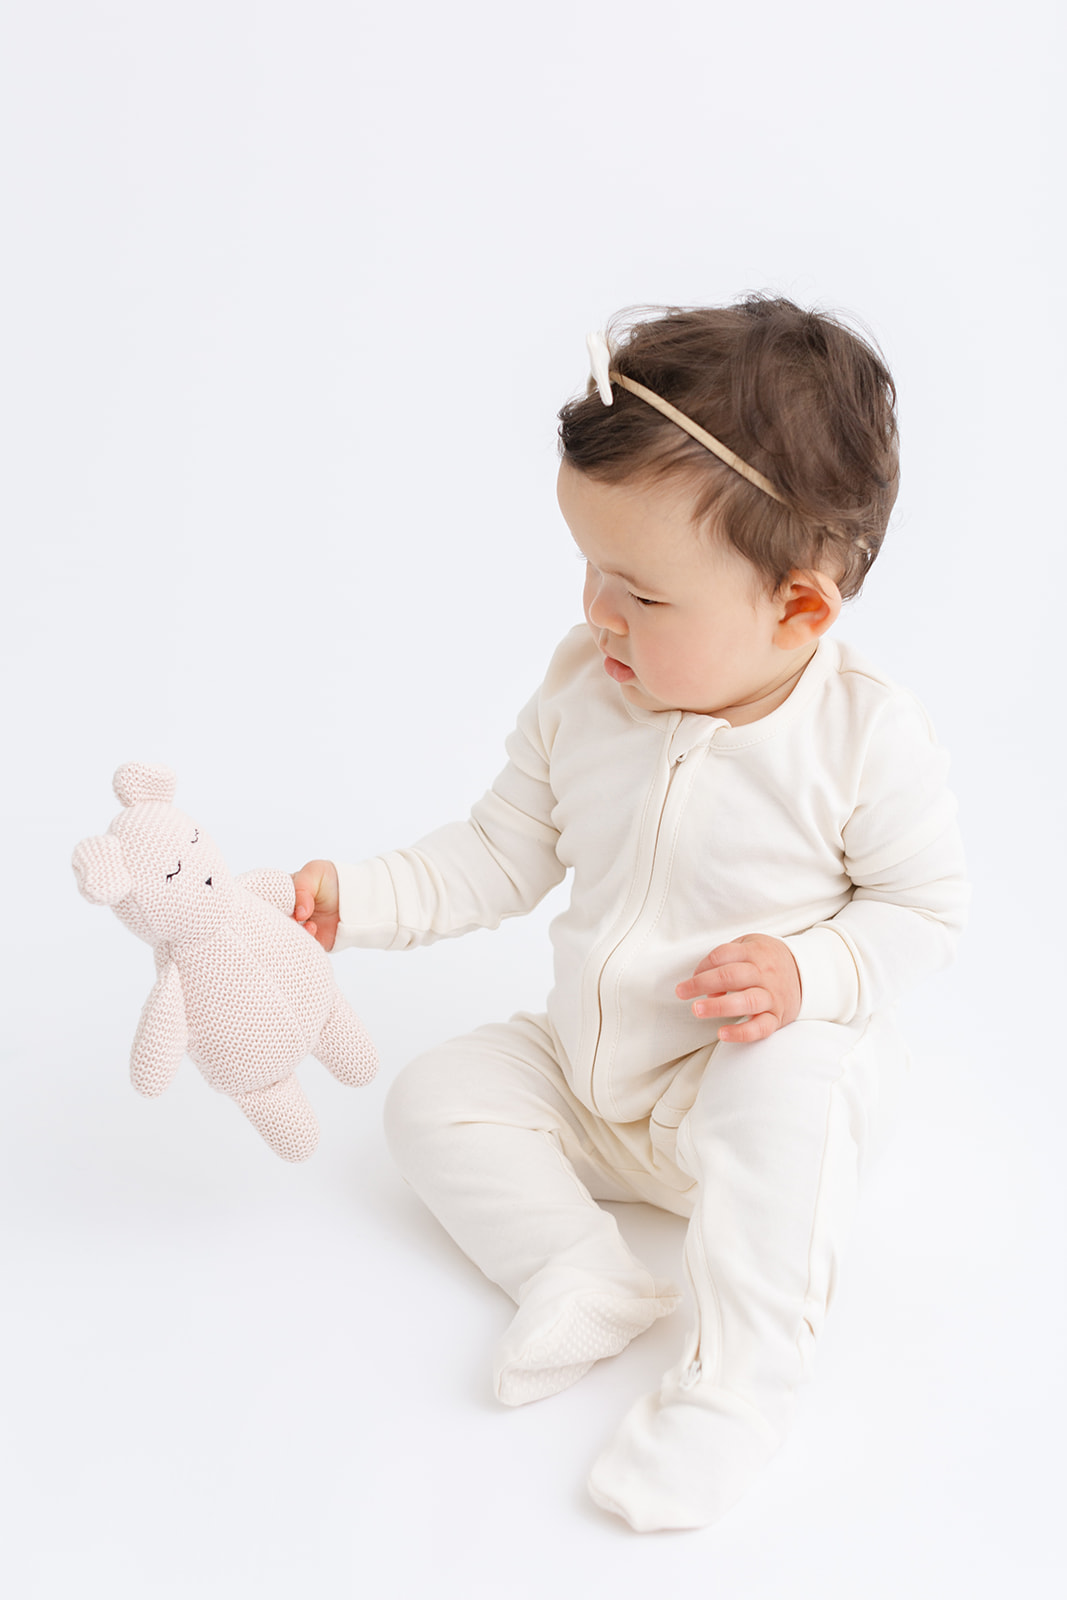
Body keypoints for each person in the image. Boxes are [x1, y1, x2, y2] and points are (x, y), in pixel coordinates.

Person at [292, 297, 968, 1533]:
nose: (598, 611)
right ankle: (577, 1270)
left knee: (788, 1085)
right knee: (432, 1094)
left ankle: (735, 1390)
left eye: (642, 596)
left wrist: (807, 972)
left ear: (798, 609)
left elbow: (923, 910)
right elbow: (498, 851)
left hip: (742, 1087)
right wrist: (356, 897)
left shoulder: (862, 737)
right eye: (589, 568)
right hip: (598, 1077)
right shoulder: (582, 690)